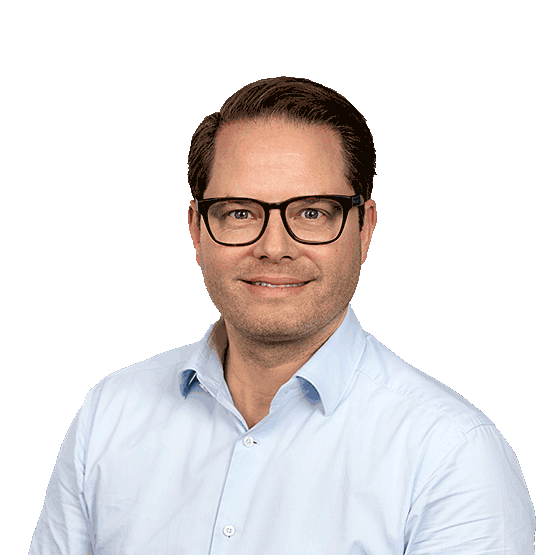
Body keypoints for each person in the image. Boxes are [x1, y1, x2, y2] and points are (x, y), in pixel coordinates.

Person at [30, 76, 535, 554]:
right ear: (196, 230)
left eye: (312, 212)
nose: (274, 248)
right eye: (240, 212)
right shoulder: (109, 414)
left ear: (365, 230)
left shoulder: (451, 454)